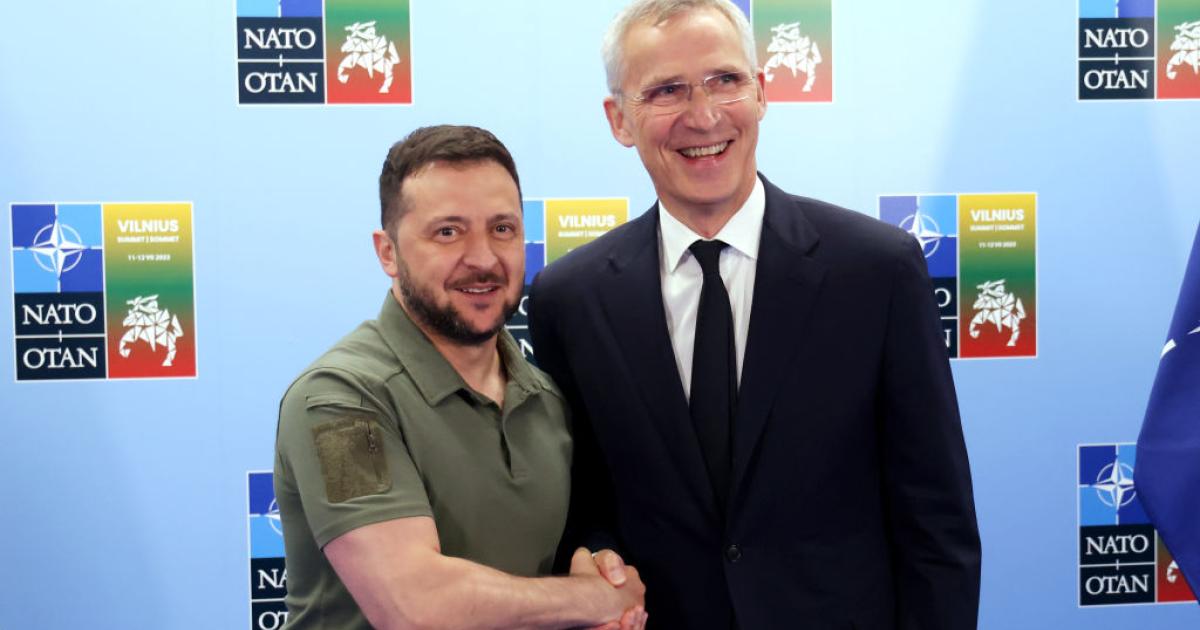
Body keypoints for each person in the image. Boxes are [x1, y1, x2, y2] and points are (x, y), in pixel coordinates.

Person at [528, 2, 982, 628]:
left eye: (724, 80)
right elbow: (579, 503)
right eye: (666, 91)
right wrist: (597, 557)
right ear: (619, 119)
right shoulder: (569, 298)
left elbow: (937, 518)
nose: (703, 115)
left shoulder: (877, 271)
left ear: (761, 92)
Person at [274, 125, 647, 630]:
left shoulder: (547, 398)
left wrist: (595, 562)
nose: (483, 259)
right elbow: (416, 608)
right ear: (387, 252)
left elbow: (566, 555)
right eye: (448, 232)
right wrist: (593, 600)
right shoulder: (339, 404)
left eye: (502, 229)